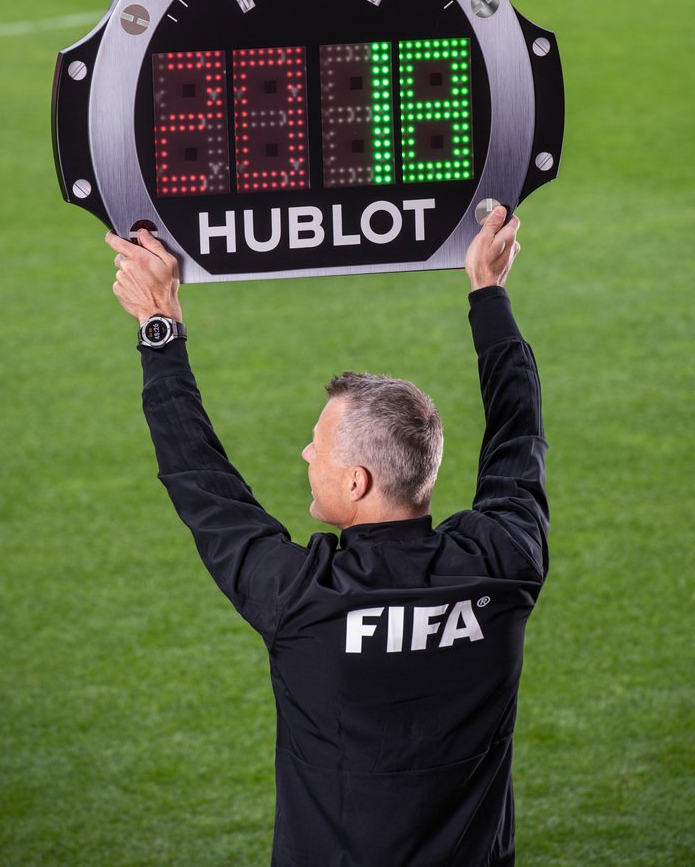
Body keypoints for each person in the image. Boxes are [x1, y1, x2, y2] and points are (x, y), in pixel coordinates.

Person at [105, 206, 548, 867]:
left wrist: (159, 325)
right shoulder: (502, 563)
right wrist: (489, 292)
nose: (306, 454)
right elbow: (520, 432)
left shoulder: (302, 599)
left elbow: (199, 479)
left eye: (319, 447)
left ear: (359, 482)